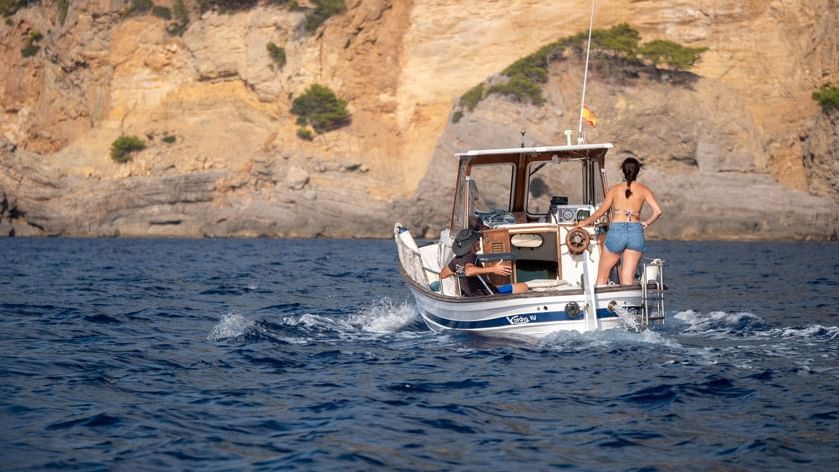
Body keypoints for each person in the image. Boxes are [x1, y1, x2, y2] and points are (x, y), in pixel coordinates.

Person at [576, 157, 662, 286]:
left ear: (623, 170)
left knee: (602, 277)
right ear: (638, 171)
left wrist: (584, 223)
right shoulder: (644, 190)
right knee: (627, 279)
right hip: (635, 232)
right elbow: (658, 211)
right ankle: (627, 306)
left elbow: (601, 212)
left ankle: (602, 305)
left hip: (617, 231)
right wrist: (647, 222)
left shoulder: (614, 190)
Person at [439, 229, 529, 296]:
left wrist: (458, 272)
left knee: (503, 286)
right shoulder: (471, 256)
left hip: (470, 295)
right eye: (477, 239)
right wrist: (494, 269)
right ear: (472, 244)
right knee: (523, 286)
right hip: (487, 295)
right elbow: (469, 271)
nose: (479, 241)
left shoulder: (455, 260)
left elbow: (442, 275)